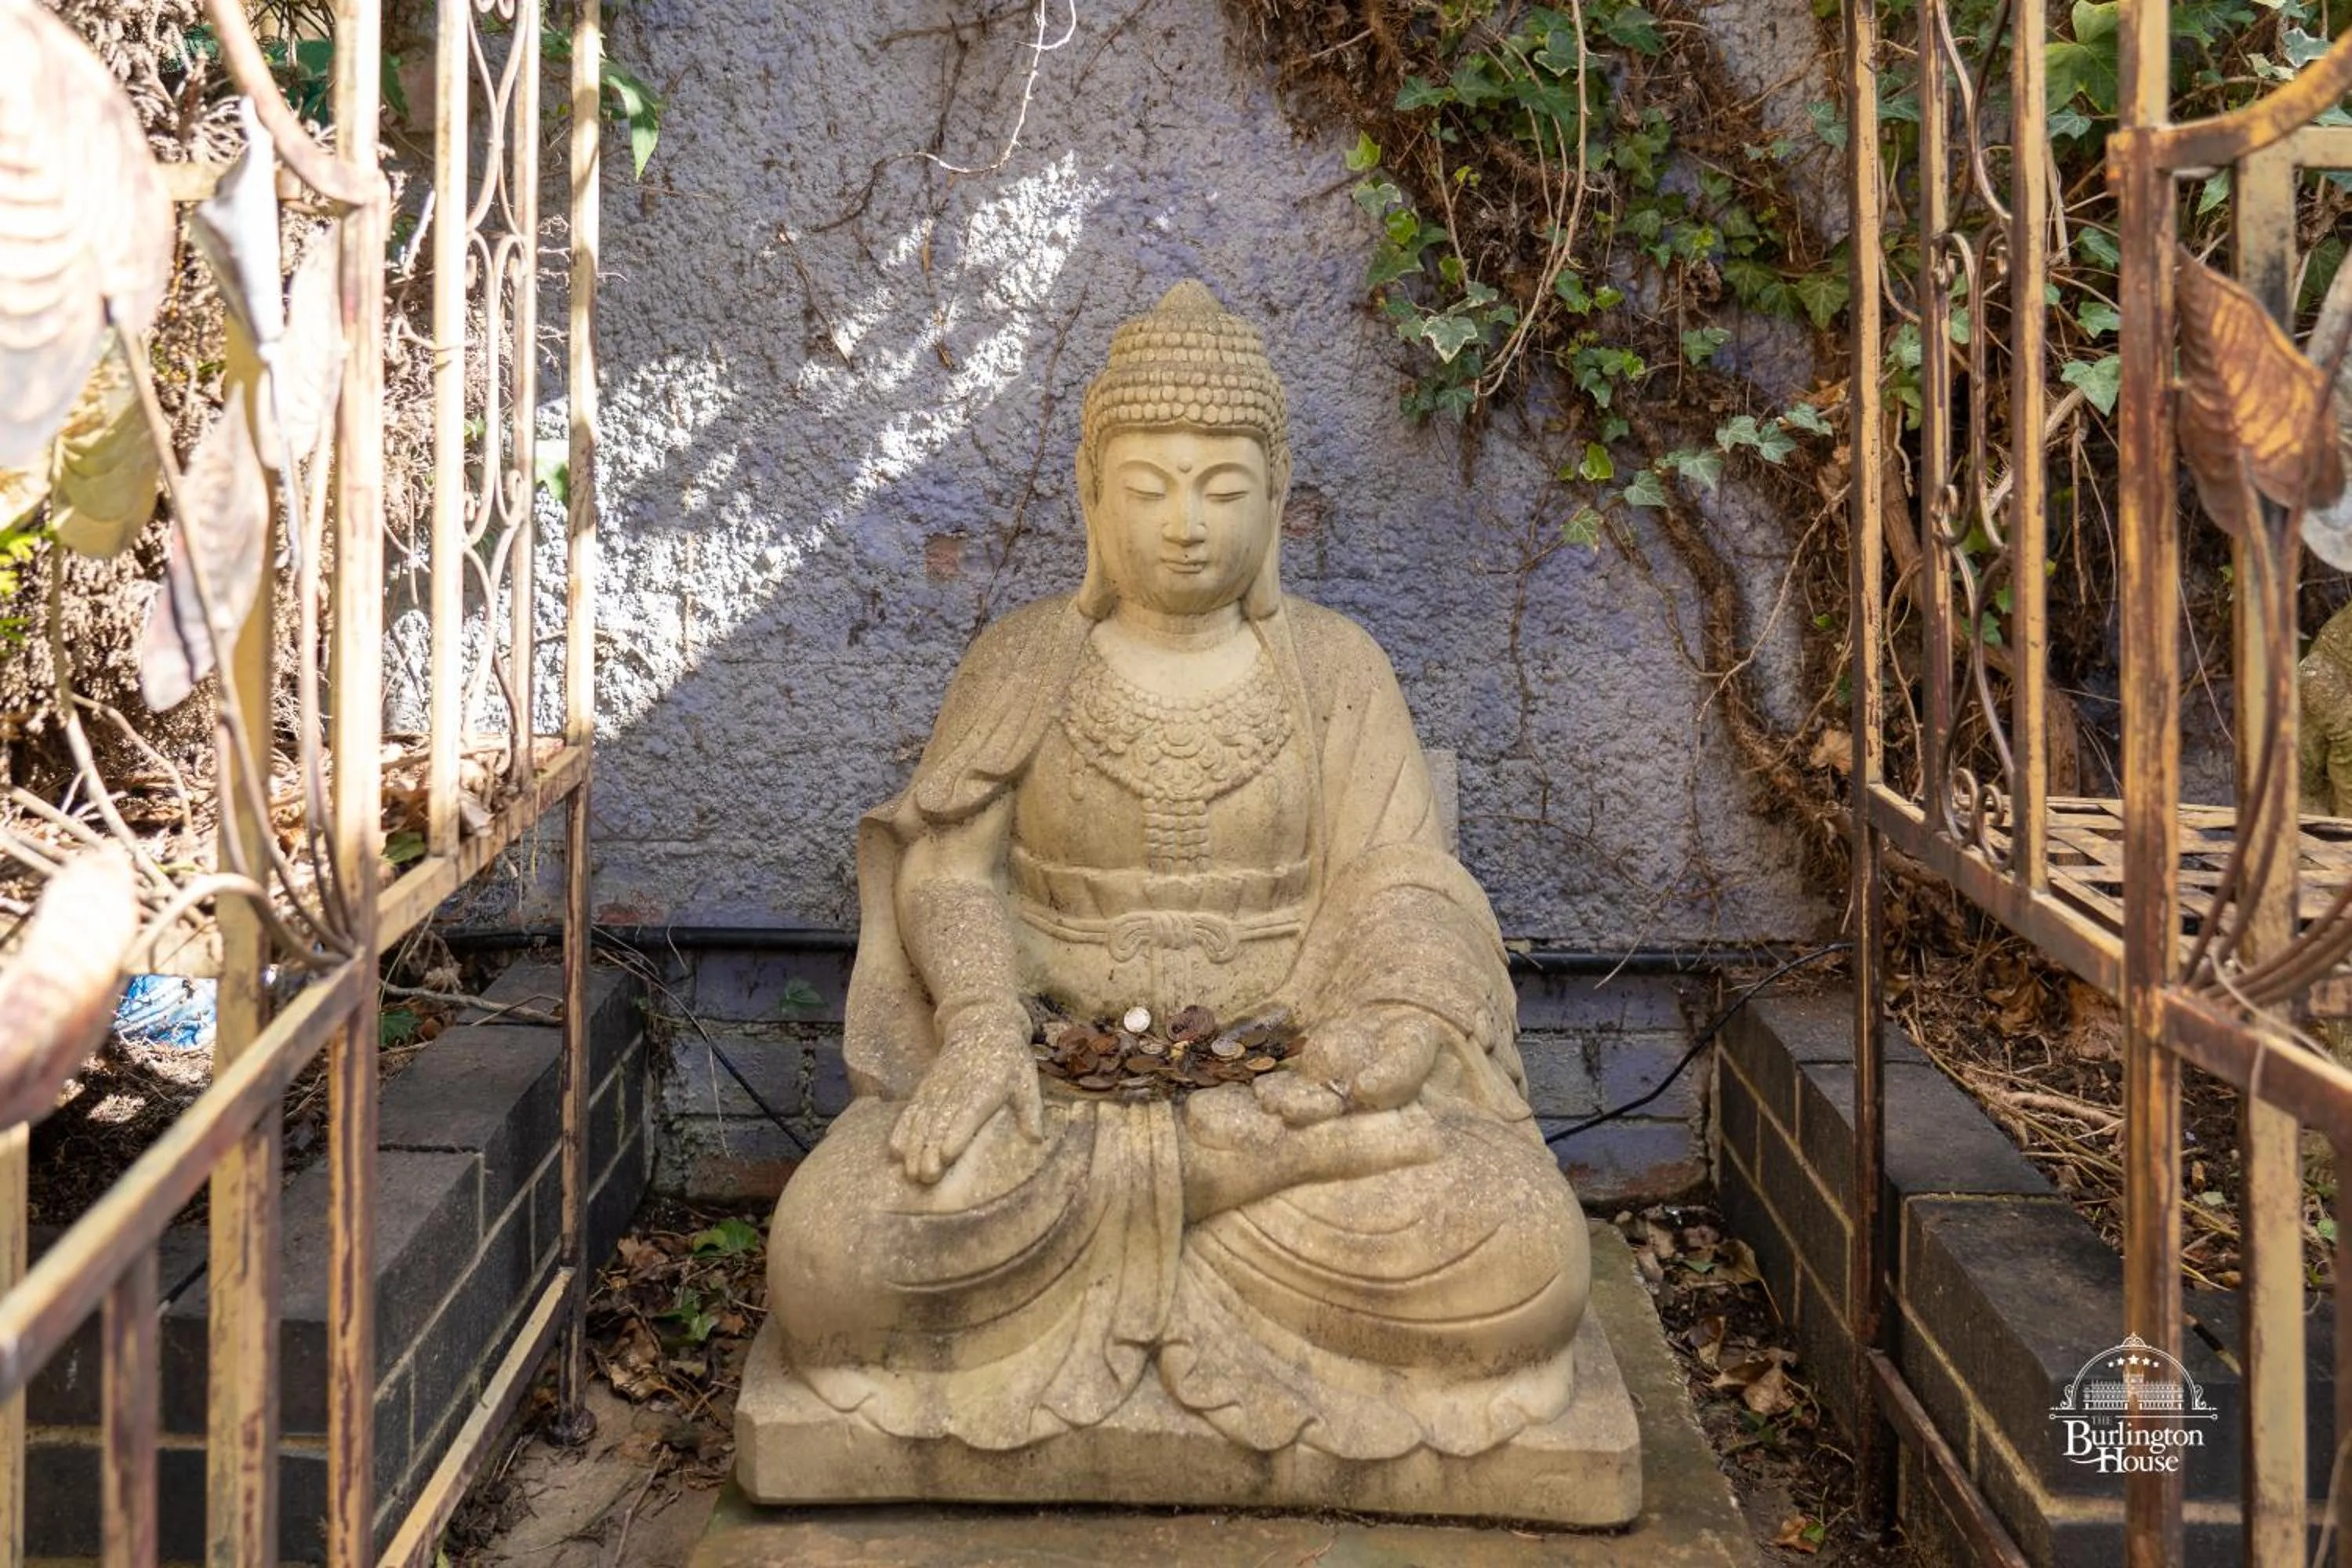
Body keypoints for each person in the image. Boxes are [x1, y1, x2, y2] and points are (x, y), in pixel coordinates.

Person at [764, 281, 1591, 1461]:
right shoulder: (1025, 658)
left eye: (1224, 490)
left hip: (1292, 1077)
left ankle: (1220, 1177)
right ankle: (1214, 1178)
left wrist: (1400, 1027)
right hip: (1054, 1084)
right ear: (1091, 496)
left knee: (1524, 1249)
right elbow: (947, 871)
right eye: (1149, 490)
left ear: (1278, 498)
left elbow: (1404, 884)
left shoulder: (1337, 669)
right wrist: (986, 1028)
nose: (1187, 525)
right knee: (831, 1251)